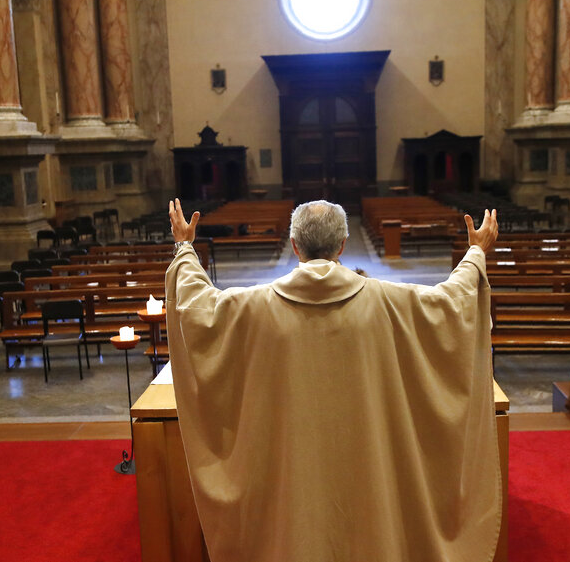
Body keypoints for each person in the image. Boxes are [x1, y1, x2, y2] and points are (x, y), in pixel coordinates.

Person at [165, 198, 501, 562]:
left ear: (295, 246)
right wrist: (476, 252)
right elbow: (453, 304)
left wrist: (184, 247)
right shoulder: (390, 301)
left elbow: (199, 308)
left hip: (292, 483)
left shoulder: (254, 307)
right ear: (343, 244)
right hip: (369, 475)